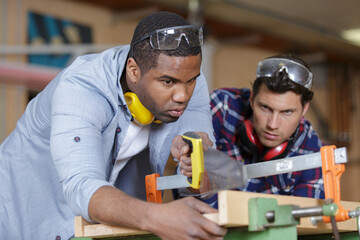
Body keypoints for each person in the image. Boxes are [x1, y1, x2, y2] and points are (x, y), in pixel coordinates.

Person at [0, 12, 226, 240]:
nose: (182, 95)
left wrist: (194, 162)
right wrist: (159, 217)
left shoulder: (188, 80)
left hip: (94, 223)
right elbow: (82, 186)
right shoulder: (81, 89)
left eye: (191, 80)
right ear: (133, 71)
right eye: (168, 82)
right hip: (19, 215)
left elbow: (202, 180)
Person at [179, 54, 324, 207]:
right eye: (265, 108)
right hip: (207, 227)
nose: (273, 124)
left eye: (286, 112)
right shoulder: (223, 108)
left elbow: (306, 222)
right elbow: (184, 192)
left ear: (304, 109)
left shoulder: (312, 152)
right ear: (252, 98)